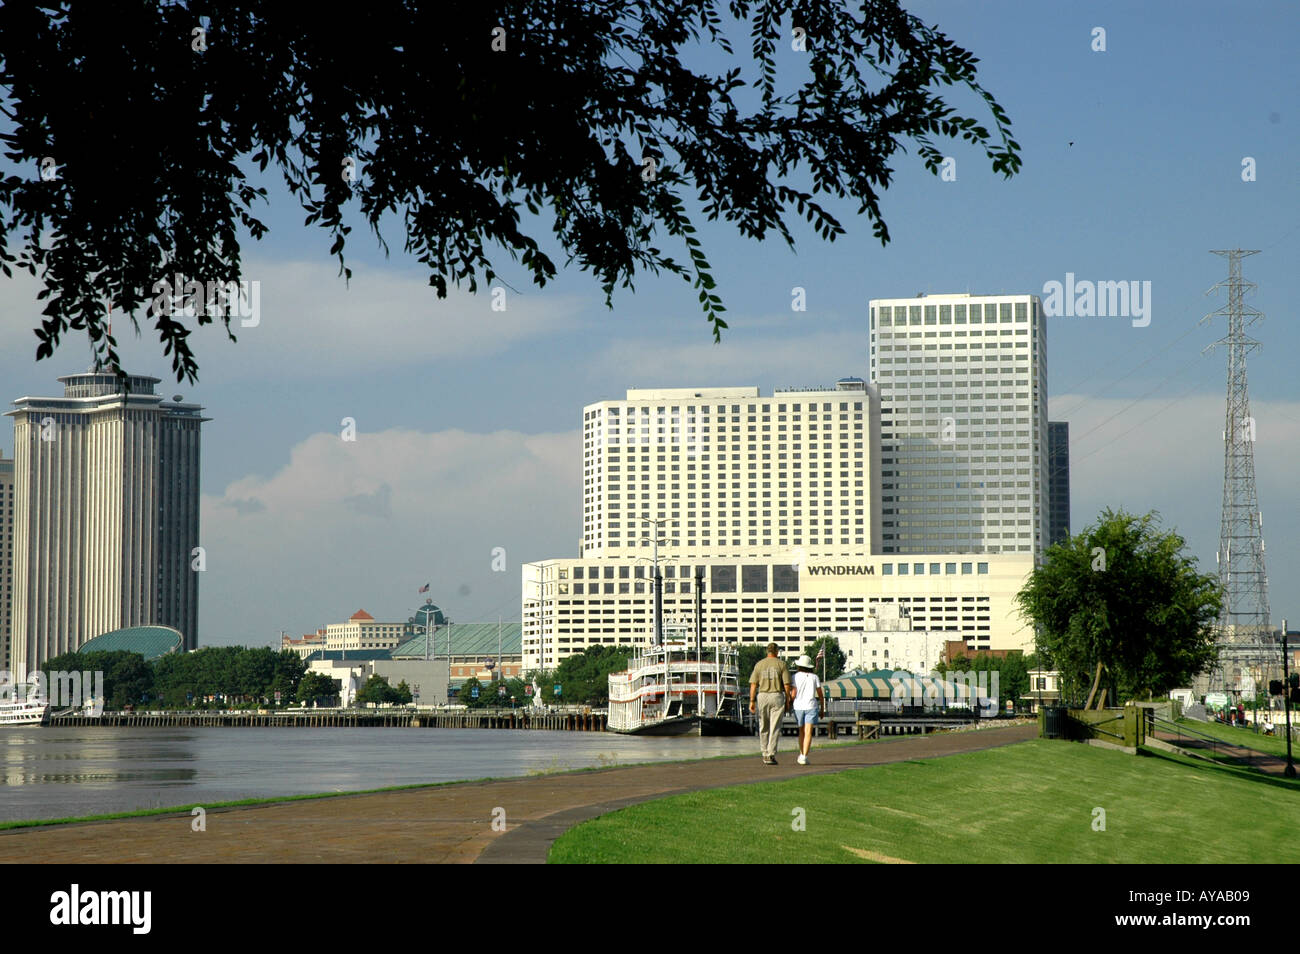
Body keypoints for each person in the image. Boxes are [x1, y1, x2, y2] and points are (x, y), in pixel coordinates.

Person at [749, 642, 792, 765]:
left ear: (767, 651)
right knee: (775, 726)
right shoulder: (781, 664)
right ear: (777, 651)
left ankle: (764, 752)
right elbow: (787, 685)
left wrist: (752, 701)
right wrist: (788, 700)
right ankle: (771, 753)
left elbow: (753, 685)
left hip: (762, 695)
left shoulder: (759, 664)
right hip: (776, 695)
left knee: (764, 725)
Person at [791, 655, 825, 765]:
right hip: (811, 706)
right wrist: (822, 708)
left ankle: (802, 754)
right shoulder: (814, 677)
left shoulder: (795, 677)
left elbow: (793, 693)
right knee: (808, 732)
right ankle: (804, 755)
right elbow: (820, 694)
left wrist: (788, 703)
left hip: (798, 706)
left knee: (801, 731)